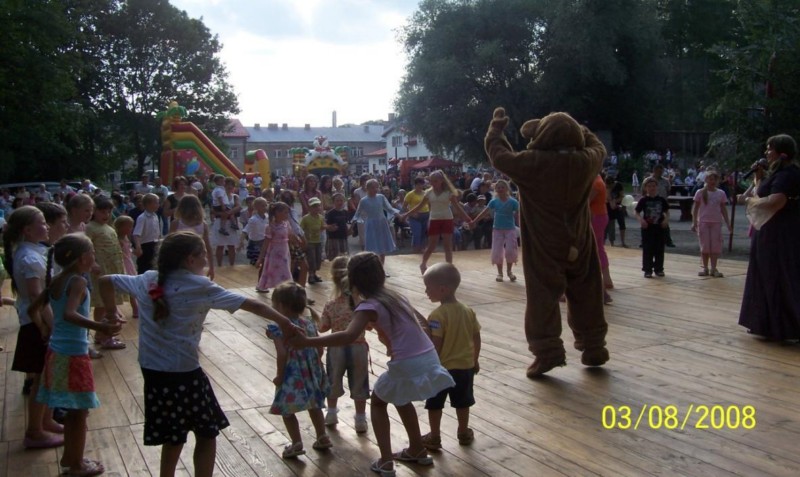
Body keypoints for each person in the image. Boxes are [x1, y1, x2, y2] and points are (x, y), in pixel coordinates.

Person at [98, 231, 297, 477]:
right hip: (184, 372)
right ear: (190, 259)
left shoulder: (149, 280)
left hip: (152, 371)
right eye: (203, 253)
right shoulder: (200, 286)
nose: (206, 258)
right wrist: (284, 322)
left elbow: (105, 281)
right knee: (206, 432)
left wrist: (111, 312)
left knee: (173, 435)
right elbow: (252, 304)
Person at [289, 252, 454, 477]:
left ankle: (386, 461)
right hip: (428, 356)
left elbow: (347, 336)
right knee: (400, 398)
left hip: (407, 361)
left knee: (377, 402)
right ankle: (417, 449)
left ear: (353, 280)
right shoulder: (396, 297)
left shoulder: (368, 306)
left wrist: (307, 342)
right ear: (380, 275)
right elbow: (423, 324)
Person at [30, 234, 122, 477]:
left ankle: (71, 458)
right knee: (80, 413)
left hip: (56, 352)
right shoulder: (78, 281)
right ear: (83, 258)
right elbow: (70, 314)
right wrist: (101, 327)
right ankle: (77, 465)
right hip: (73, 356)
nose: (94, 255)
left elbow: (33, 308)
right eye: (92, 251)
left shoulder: (57, 280)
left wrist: (45, 329)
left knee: (74, 411)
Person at [3, 206, 65, 449]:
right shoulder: (29, 258)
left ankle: (46, 421)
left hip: (39, 322)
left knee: (47, 376)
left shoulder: (32, 251)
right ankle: (35, 431)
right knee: (42, 378)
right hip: (38, 325)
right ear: (27, 230)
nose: (47, 226)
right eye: (41, 222)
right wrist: (51, 326)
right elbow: (37, 297)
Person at [738, 134, 800, 340]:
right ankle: (766, 324)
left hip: (779, 233)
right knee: (766, 274)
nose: (766, 152)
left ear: (782, 153)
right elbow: (762, 193)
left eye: (769, 148)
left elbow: (776, 201)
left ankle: (782, 326)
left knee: (776, 275)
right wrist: (758, 177)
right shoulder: (779, 173)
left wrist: (748, 201)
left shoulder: (787, 175)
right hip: (771, 231)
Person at [419, 263, 481, 451]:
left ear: (442, 289)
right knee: (463, 402)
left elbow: (436, 344)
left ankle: (434, 436)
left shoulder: (437, 315)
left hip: (442, 368)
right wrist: (475, 359)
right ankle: (463, 432)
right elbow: (476, 337)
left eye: (428, 287)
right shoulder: (468, 311)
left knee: (435, 403)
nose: (426, 291)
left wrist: (428, 364)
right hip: (465, 367)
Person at [267, 282, 331, 459]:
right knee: (315, 405)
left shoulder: (278, 327)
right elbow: (319, 348)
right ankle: (322, 436)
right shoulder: (309, 323)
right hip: (311, 371)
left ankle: (296, 443)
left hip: (291, 375)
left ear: (281, 306)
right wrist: (317, 366)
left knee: (287, 410)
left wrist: (280, 376)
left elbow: (282, 354)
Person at [319, 256, 369, 434]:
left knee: (333, 380)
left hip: (336, 346)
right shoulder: (362, 305)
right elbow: (369, 325)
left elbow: (323, 327)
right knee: (360, 382)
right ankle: (360, 419)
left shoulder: (331, 304)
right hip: (358, 346)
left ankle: (331, 413)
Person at [401, 170, 470, 274]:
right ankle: (423, 263)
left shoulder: (448, 192)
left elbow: (457, 206)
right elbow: (419, 206)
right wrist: (406, 214)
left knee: (447, 245)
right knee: (432, 245)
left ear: (441, 180)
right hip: (434, 219)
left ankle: (449, 268)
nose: (433, 183)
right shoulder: (428, 192)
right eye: (431, 181)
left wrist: (467, 218)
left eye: (435, 181)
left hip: (447, 219)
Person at [85, 196, 127, 350]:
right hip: (101, 271)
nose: (106, 215)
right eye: (102, 211)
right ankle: (104, 334)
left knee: (109, 303)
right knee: (102, 304)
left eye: (109, 212)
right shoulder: (90, 228)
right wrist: (93, 263)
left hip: (112, 270)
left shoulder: (109, 227)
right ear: (94, 211)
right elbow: (87, 247)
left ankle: (102, 334)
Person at [468, 179, 519, 282]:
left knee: (510, 250)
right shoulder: (494, 201)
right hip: (497, 229)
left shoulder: (513, 202)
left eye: (502, 187)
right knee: (497, 251)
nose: (500, 189)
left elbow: (518, 214)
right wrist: (474, 221)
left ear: (507, 189)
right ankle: (500, 273)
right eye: (498, 188)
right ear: (496, 189)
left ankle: (509, 271)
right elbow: (484, 212)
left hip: (510, 229)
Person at [691, 170, 731, 277]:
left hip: (716, 222)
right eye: (710, 179)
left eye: (714, 179)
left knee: (715, 246)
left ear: (718, 181)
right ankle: (705, 268)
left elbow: (723, 209)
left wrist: (728, 223)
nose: (712, 181)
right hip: (703, 222)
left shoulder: (721, 193)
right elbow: (695, 208)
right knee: (705, 246)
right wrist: (694, 222)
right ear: (706, 180)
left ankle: (714, 268)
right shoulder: (700, 192)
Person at [352, 179, 400, 268]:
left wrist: (398, 215)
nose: (375, 189)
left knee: (382, 246)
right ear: (367, 188)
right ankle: (373, 267)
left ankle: (381, 267)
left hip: (382, 223)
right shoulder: (363, 200)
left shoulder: (381, 197)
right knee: (371, 245)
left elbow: (389, 208)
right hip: (370, 224)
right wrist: (352, 223)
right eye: (373, 187)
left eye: (377, 187)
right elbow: (358, 213)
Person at [169, 195, 215, 280]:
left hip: (181, 260)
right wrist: (211, 267)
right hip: (195, 260)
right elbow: (208, 248)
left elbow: (169, 246)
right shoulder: (203, 225)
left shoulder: (176, 223)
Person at [256, 202, 295, 293]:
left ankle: (285, 286)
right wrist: (260, 258)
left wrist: (296, 243)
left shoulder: (286, 224)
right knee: (275, 269)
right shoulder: (270, 226)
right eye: (285, 212)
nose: (287, 215)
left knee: (285, 268)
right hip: (275, 252)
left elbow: (290, 236)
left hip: (285, 250)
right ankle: (272, 286)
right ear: (277, 213)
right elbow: (266, 243)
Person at [635, 177, 670, 278]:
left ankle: (659, 269)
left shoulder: (661, 200)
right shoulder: (643, 200)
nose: (651, 188)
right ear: (645, 188)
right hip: (648, 228)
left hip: (659, 227)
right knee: (647, 249)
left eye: (653, 186)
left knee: (659, 248)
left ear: (657, 187)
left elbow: (667, 212)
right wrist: (641, 220)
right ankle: (647, 269)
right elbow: (636, 212)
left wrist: (666, 220)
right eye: (649, 186)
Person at [589, 174, 613, 303]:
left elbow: (585, 201)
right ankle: (606, 280)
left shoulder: (595, 183)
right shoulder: (597, 180)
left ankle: (600, 288)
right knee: (598, 249)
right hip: (600, 215)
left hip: (595, 217)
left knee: (590, 251)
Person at [210, 178, 242, 266]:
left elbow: (239, 207)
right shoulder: (218, 196)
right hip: (220, 221)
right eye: (228, 184)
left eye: (232, 185)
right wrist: (223, 213)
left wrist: (228, 213)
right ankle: (219, 266)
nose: (230, 186)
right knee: (220, 245)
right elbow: (212, 211)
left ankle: (232, 265)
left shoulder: (235, 196)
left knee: (231, 245)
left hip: (231, 223)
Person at [114, 216, 139, 319]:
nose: (131, 229)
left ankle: (135, 307)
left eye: (131, 226)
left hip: (129, 263)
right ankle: (135, 308)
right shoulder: (118, 240)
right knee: (128, 287)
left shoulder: (126, 237)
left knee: (132, 286)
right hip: (124, 264)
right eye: (128, 227)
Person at [133, 193, 162, 274]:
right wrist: (138, 247)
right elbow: (137, 234)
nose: (158, 205)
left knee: (154, 266)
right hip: (146, 246)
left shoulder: (155, 216)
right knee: (144, 267)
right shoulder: (142, 218)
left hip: (155, 244)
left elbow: (157, 231)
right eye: (156, 203)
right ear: (148, 204)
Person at [300, 197, 326, 284]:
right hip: (310, 242)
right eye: (314, 206)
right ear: (310, 208)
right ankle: (310, 275)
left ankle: (314, 274)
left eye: (318, 206)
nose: (317, 208)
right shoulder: (305, 218)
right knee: (311, 259)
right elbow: (300, 229)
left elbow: (322, 226)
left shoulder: (321, 217)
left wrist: (328, 227)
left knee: (318, 259)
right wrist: (304, 237)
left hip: (318, 241)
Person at [403, 177, 430, 253]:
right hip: (414, 217)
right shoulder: (410, 194)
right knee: (416, 234)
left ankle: (421, 249)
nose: (420, 186)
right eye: (418, 184)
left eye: (421, 184)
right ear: (415, 185)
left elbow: (429, 204)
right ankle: (415, 250)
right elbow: (404, 206)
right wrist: (411, 213)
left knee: (423, 234)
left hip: (425, 215)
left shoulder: (425, 193)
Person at [242, 197, 269, 266]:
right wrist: (241, 242)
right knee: (255, 262)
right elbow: (245, 230)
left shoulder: (267, 217)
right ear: (256, 207)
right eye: (262, 206)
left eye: (266, 205)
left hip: (264, 242)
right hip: (255, 243)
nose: (265, 207)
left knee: (265, 261)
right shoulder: (253, 219)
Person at [324, 193, 350, 260]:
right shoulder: (330, 213)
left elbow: (346, 224)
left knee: (344, 257)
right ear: (333, 202)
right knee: (334, 257)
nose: (339, 202)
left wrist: (349, 230)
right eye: (337, 201)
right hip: (333, 238)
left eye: (341, 200)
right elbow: (326, 226)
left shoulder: (345, 212)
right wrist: (330, 227)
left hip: (343, 237)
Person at [605, 177, 627, 248]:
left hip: (619, 206)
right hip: (609, 207)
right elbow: (608, 199)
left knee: (622, 224)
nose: (609, 187)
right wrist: (611, 201)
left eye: (610, 186)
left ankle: (623, 242)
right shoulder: (607, 187)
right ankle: (612, 243)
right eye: (608, 186)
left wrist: (616, 201)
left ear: (613, 183)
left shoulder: (618, 185)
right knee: (610, 225)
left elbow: (622, 196)